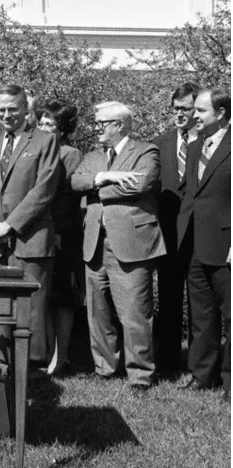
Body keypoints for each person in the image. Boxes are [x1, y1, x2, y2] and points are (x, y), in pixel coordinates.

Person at [71, 102, 166, 392]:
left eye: (102, 122)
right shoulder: (92, 156)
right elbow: (74, 182)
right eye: (96, 122)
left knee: (135, 313)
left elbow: (140, 185)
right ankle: (105, 369)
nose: (96, 127)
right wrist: (105, 177)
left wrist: (95, 188)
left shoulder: (146, 150)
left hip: (132, 243)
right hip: (95, 245)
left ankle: (140, 376)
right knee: (98, 313)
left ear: (120, 124)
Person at [0, 84, 59, 369]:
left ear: (25, 109)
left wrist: (9, 226)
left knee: (32, 307)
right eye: (1, 110)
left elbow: (43, 190)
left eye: (13, 109)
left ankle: (32, 366)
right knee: (0, 304)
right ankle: (5, 362)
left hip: (29, 238)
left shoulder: (44, 141)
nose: (7, 115)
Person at [177, 87, 230, 397]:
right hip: (196, 244)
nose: (193, 115)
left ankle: (230, 381)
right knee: (202, 315)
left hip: (226, 245)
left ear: (220, 113)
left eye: (200, 110)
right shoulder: (196, 146)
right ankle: (202, 375)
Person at [152, 82, 200, 373]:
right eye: (176, 108)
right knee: (168, 300)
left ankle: (199, 363)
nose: (179, 114)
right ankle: (168, 363)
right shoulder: (160, 143)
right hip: (167, 233)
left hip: (199, 233)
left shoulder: (209, 142)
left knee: (199, 303)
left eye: (186, 108)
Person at [37, 99, 83, 375]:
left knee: (63, 299)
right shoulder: (39, 150)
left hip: (62, 235)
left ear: (63, 129)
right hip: (43, 232)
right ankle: (50, 355)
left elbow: (67, 200)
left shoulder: (69, 154)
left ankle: (62, 357)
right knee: (48, 298)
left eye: (50, 124)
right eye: (41, 122)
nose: (43, 128)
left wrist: (56, 232)